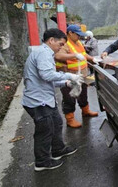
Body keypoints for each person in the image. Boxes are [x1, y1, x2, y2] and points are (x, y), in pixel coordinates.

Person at [22, 28, 83, 171]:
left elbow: (48, 79)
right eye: (60, 44)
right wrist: (69, 76)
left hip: (46, 99)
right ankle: (42, 162)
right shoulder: (43, 53)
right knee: (45, 130)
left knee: (56, 123)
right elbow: (48, 75)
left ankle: (58, 149)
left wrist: (66, 83)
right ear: (51, 40)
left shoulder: (46, 53)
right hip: (38, 101)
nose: (61, 48)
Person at [55, 25, 100, 128]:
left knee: (83, 94)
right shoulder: (64, 44)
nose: (79, 37)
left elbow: (84, 55)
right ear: (70, 33)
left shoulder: (78, 43)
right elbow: (58, 56)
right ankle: (70, 119)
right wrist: (74, 55)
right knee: (69, 97)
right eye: (78, 34)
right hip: (69, 76)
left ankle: (86, 111)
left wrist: (92, 59)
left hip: (81, 75)